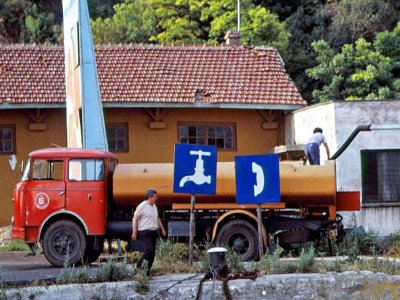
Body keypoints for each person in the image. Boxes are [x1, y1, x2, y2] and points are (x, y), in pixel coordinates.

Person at [131, 189, 166, 276]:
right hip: (144, 231)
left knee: (152, 253)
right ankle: (139, 265)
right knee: (149, 249)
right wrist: (134, 232)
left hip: (153, 231)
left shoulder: (154, 206)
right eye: (154, 197)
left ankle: (147, 271)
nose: (156, 198)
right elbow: (135, 218)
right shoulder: (142, 206)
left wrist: (162, 229)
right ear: (149, 197)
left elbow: (157, 218)